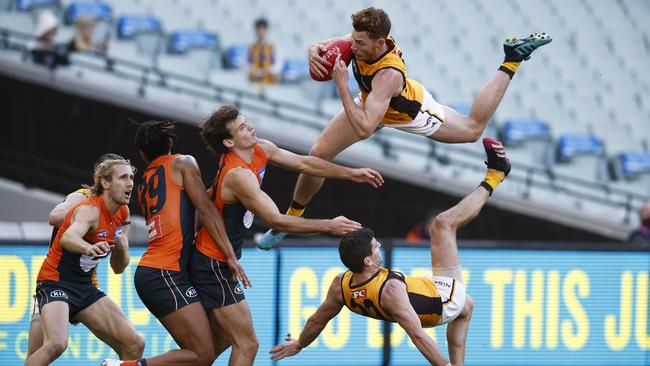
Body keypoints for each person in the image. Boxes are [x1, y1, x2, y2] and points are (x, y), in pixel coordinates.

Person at [257, 7, 551, 248]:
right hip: (370, 102)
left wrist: (342, 86)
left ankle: (511, 60)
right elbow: (325, 44)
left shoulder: (388, 74)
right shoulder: (364, 40)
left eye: (359, 43)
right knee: (317, 153)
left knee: (472, 128)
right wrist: (313, 49)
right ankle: (290, 221)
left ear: (380, 43)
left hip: (408, 111)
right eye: (354, 40)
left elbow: (364, 128)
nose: (353, 46)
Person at [270, 137, 511, 366]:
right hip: (444, 301)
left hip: (430, 297)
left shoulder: (340, 286)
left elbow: (317, 320)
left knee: (466, 307)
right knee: (443, 224)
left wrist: (300, 343)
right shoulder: (391, 290)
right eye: (375, 247)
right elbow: (417, 336)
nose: (380, 246)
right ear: (368, 261)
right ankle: (494, 176)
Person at [190, 104, 384, 364]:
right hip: (211, 263)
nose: (250, 128)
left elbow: (306, 163)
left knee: (225, 341)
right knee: (247, 344)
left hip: (219, 261)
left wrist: (351, 173)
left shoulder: (261, 148)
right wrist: (329, 225)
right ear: (228, 142)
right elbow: (276, 221)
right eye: (242, 128)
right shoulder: (237, 176)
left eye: (247, 123)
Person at [102, 121, 249, 366]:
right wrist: (230, 256)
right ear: (171, 143)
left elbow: (183, 212)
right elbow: (205, 210)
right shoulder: (183, 163)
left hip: (160, 271)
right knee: (202, 355)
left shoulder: (145, 180)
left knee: (218, 340)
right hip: (165, 273)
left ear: (142, 154)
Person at [27, 158, 143, 366]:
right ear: (105, 183)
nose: (130, 183)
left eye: (132, 178)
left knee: (135, 343)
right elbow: (68, 238)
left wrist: (122, 247)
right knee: (56, 344)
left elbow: (118, 268)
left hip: (84, 287)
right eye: (123, 177)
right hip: (55, 282)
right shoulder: (89, 208)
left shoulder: (122, 213)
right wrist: (88, 247)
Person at [248, 18, 281, 84]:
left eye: (263, 28)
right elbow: (246, 63)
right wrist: (253, 69)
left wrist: (268, 71)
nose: (261, 31)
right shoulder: (251, 46)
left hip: (270, 81)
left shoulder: (273, 46)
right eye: (259, 28)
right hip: (255, 81)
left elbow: (278, 64)